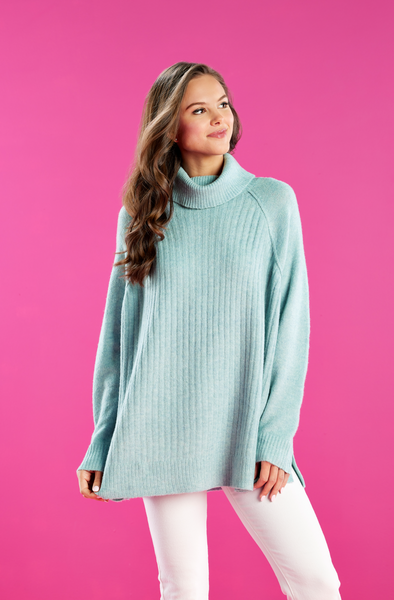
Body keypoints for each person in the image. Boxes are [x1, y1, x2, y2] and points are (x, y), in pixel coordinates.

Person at [76, 62, 342, 599]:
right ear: (169, 127)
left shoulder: (271, 203)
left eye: (222, 104)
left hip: (244, 425)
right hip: (161, 426)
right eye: (200, 109)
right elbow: (120, 336)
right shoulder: (142, 214)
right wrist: (102, 440)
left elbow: (291, 324)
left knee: (316, 582)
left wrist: (275, 435)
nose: (220, 118)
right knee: (183, 588)